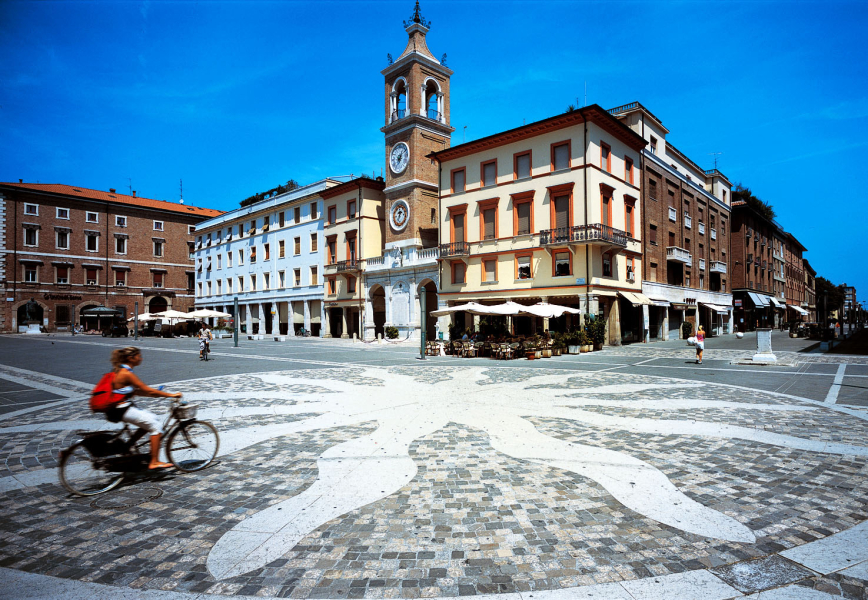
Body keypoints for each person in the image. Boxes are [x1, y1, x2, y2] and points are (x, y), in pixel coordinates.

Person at [108, 347, 181, 469]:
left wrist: (155, 394)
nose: (141, 358)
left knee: (151, 419)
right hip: (122, 409)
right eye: (139, 356)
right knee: (156, 426)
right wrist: (171, 395)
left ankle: (128, 446)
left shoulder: (120, 370)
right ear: (131, 358)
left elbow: (136, 391)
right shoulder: (126, 373)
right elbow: (147, 390)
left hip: (119, 408)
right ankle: (154, 461)